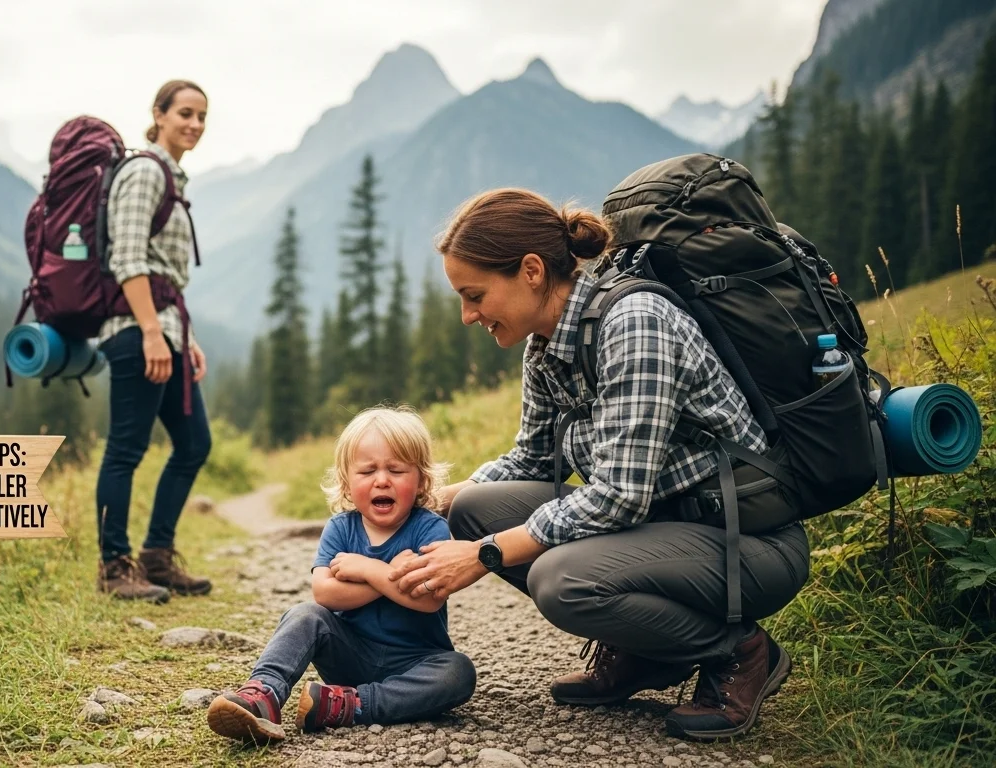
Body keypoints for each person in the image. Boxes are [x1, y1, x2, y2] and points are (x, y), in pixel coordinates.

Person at [389, 189, 810, 741]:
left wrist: (484, 555)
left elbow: (618, 496)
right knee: (473, 509)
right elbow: (534, 458)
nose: (468, 316)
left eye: (475, 295)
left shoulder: (635, 324)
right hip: (660, 531)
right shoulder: (545, 347)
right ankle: (650, 652)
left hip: (747, 543)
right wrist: (433, 497)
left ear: (532, 271)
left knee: (560, 582)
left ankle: (741, 652)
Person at [206, 407, 476, 745]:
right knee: (305, 615)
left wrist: (369, 569)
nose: (382, 479)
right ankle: (263, 695)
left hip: (415, 662)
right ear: (347, 482)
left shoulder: (430, 527)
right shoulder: (340, 529)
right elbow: (324, 592)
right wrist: (392, 576)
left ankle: (347, 705)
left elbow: (428, 598)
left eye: (396, 469)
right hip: (350, 653)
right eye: (367, 470)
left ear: (421, 479)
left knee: (458, 672)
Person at [94, 80, 213, 603]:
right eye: (184, 113)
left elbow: (168, 276)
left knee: (193, 443)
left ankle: (157, 558)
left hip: (166, 331)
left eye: (202, 116)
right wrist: (149, 331)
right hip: (136, 334)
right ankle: (114, 566)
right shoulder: (145, 171)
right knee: (126, 449)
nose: (194, 124)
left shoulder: (172, 177)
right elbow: (128, 258)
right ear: (159, 115)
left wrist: (184, 337)